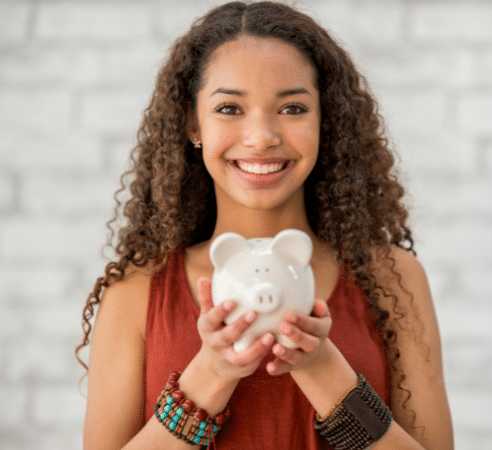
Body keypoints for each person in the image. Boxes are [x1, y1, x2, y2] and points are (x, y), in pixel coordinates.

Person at [76, 1, 453, 449]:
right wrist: (212, 374)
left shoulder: (393, 279)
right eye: (230, 109)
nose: (262, 136)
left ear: (324, 122)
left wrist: (323, 372)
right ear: (191, 123)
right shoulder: (136, 292)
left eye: (293, 108)